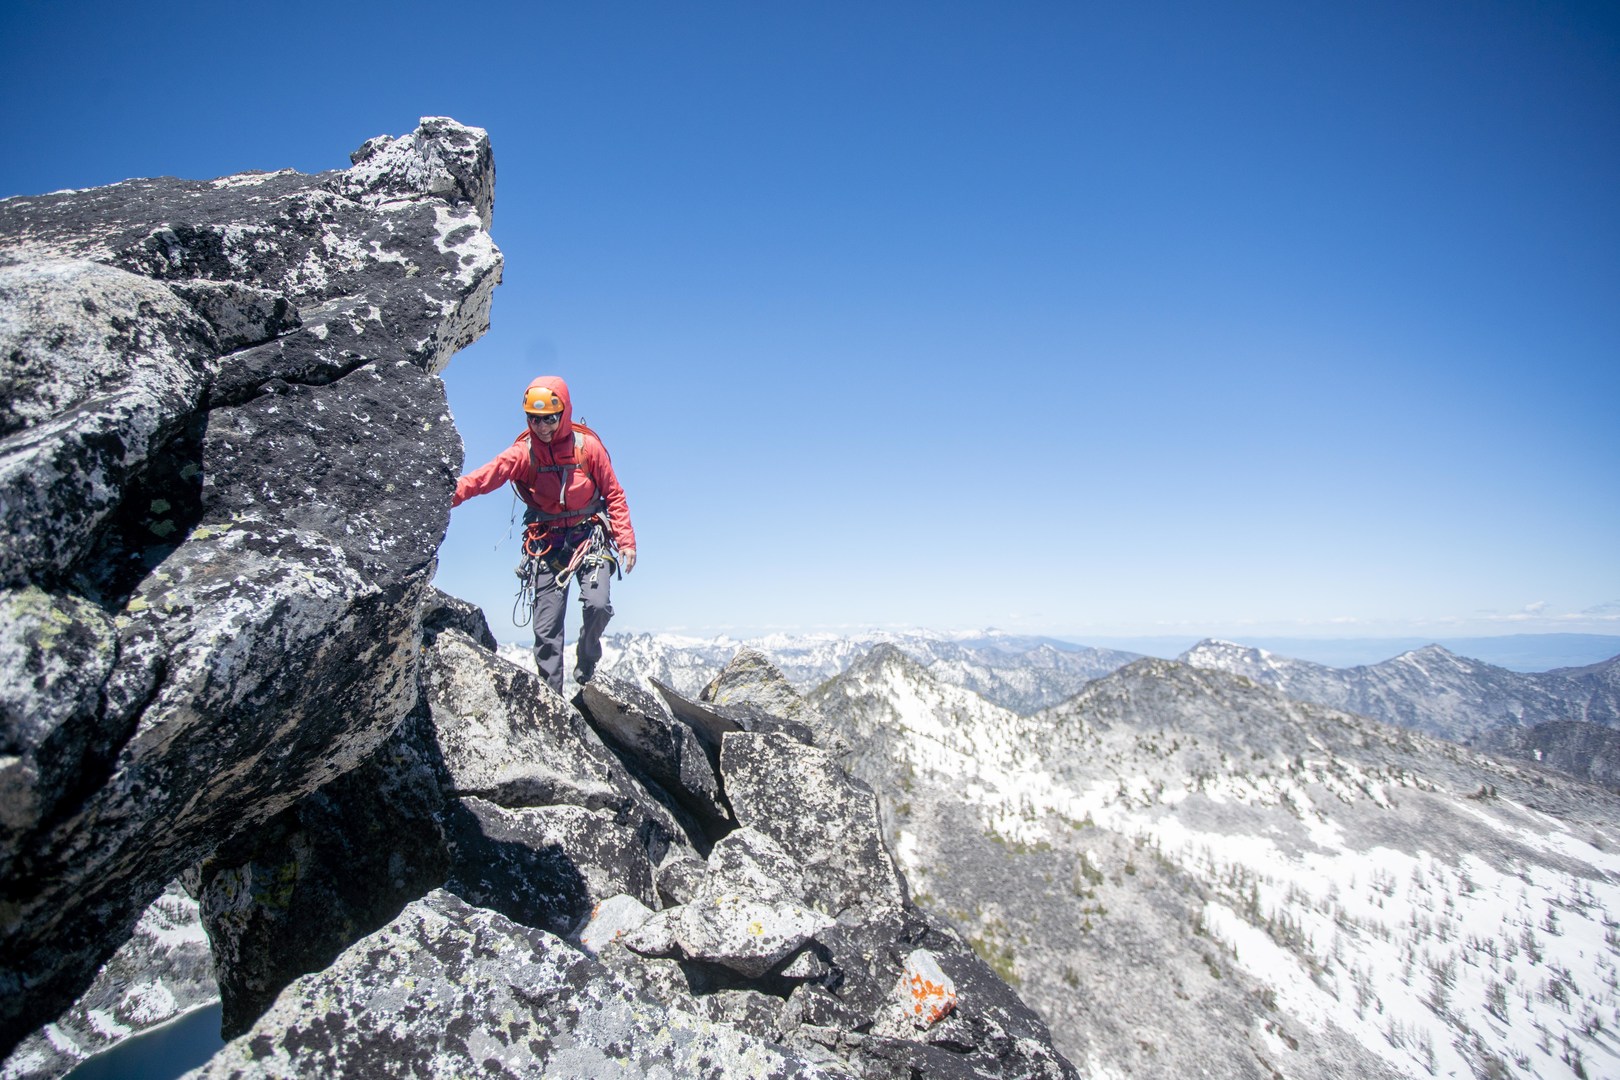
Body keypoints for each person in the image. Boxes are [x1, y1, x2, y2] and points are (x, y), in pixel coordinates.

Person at [451, 376, 636, 692]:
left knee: (598, 605)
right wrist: (449, 494)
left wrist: (625, 541)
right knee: (546, 629)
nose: (542, 427)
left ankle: (587, 662)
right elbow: (486, 476)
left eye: (549, 419)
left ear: (564, 413)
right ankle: (554, 700)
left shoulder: (586, 447)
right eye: (534, 419)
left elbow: (614, 494)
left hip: (588, 536)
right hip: (548, 542)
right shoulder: (524, 453)